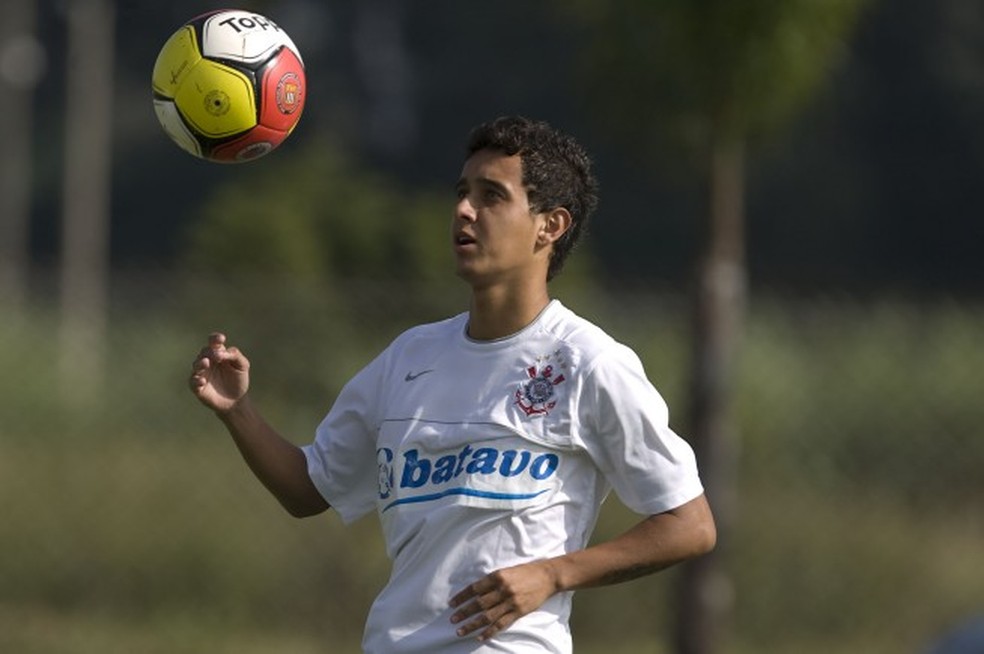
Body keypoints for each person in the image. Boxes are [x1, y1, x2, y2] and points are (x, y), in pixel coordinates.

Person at [189, 115, 716, 653]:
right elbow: (310, 488)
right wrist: (238, 411)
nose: (464, 210)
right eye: (462, 192)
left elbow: (689, 524)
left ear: (549, 225)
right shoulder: (408, 357)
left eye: (492, 196)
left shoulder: (588, 362)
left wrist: (554, 574)